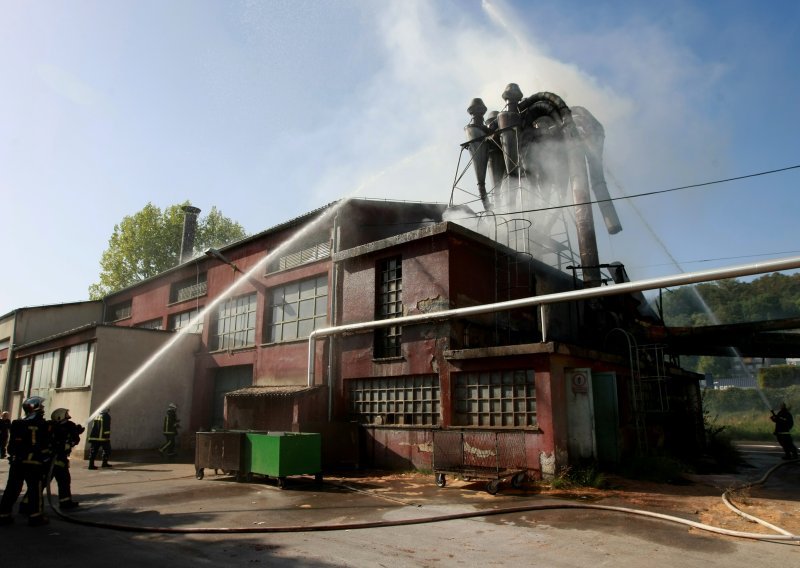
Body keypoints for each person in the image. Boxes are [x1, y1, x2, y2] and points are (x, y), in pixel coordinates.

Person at [0, 397, 53, 527]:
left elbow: (11, 447)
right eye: (41, 407)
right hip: (34, 463)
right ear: (34, 407)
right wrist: (46, 458)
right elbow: (46, 445)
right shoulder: (44, 425)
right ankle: (35, 517)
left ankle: (3, 515)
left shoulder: (17, 423)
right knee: (35, 489)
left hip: (17, 462)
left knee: (12, 489)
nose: (43, 409)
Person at [49, 408, 84, 509]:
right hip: (58, 459)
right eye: (66, 413)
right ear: (60, 416)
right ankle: (65, 503)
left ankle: (26, 503)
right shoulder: (67, 426)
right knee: (63, 480)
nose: (68, 415)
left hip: (51, 459)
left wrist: (76, 432)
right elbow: (72, 440)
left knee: (42, 483)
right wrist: (75, 433)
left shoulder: (52, 426)